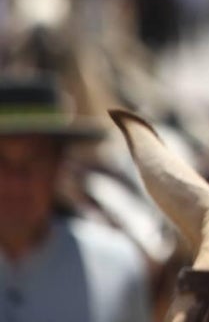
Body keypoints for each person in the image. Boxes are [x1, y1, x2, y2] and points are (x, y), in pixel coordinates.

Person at [0, 72, 151, 322]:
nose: (16, 182)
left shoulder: (116, 267)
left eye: (33, 161)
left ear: (59, 167)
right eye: (1, 163)